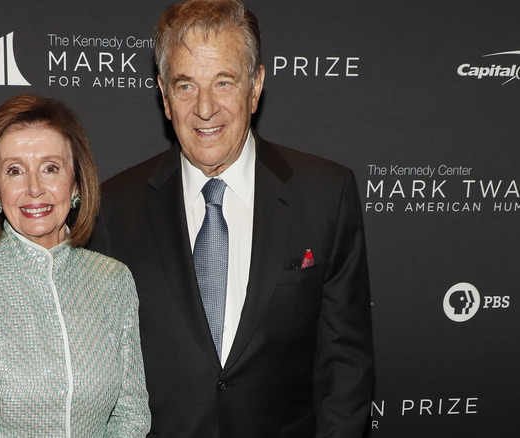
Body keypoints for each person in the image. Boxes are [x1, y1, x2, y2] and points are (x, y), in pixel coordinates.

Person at [91, 1, 374, 436]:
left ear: (255, 86)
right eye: (185, 86)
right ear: (165, 96)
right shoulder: (114, 207)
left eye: (223, 82)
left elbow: (345, 366)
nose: (205, 108)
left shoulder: (325, 194)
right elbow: (101, 377)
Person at [0, 94, 151, 437]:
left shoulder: (112, 280)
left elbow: (132, 417)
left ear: (75, 184)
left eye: (50, 168)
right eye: (14, 170)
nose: (34, 188)